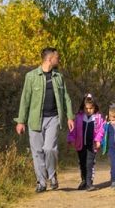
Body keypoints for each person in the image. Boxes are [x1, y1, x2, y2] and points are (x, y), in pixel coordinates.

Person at [15, 47, 75, 193]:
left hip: (53, 118)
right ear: (49, 59)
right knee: (37, 152)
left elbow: (65, 97)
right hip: (35, 120)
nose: (58, 60)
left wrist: (70, 116)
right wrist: (21, 121)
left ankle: (52, 175)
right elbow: (25, 99)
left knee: (49, 148)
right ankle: (41, 182)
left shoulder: (58, 77)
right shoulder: (31, 76)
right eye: (57, 57)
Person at [66, 93, 104, 191]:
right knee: (82, 163)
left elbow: (101, 130)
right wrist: (71, 139)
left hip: (92, 146)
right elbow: (73, 130)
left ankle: (89, 183)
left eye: (90, 108)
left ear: (94, 107)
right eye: (86, 108)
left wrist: (98, 140)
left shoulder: (98, 118)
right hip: (80, 145)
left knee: (90, 163)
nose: (88, 110)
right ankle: (84, 181)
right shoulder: (78, 117)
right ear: (83, 108)